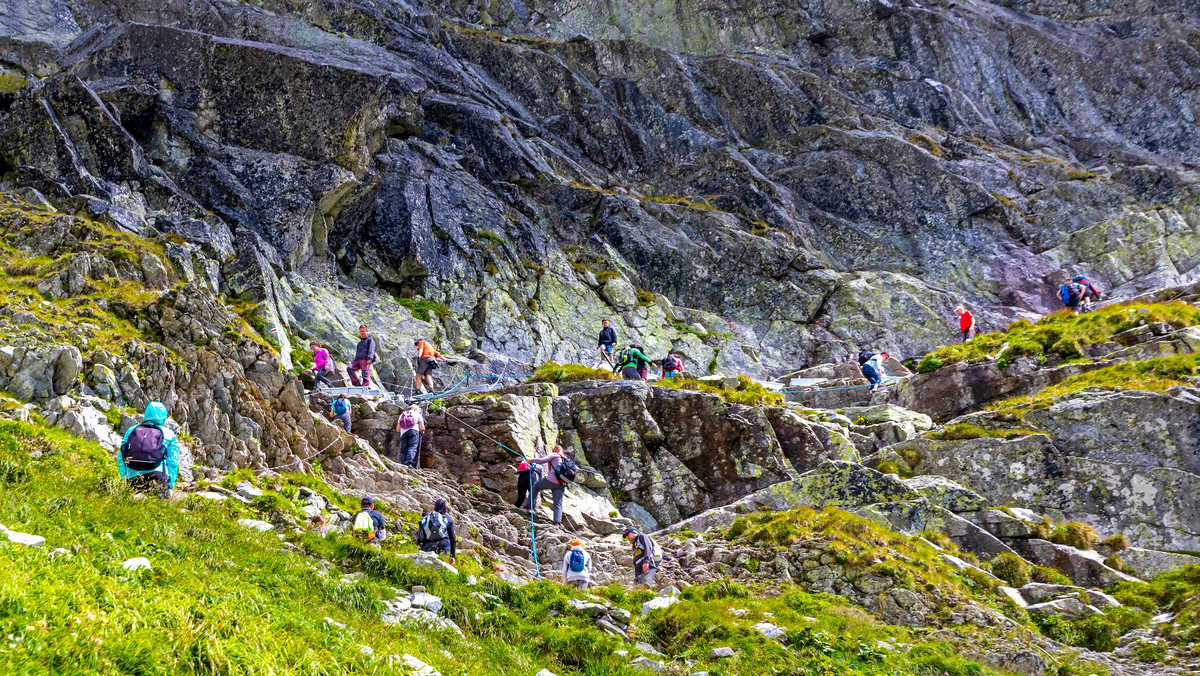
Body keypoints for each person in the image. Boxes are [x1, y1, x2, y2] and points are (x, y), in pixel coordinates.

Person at [118, 401, 181, 500]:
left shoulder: (132, 430)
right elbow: (172, 461)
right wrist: (170, 485)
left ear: (146, 413)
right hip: (157, 475)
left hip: (133, 477)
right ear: (163, 415)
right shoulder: (169, 434)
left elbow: (121, 455)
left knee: (132, 511)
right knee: (158, 511)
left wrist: (124, 477)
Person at [530, 445, 576, 525]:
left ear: (555, 449)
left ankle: (528, 507)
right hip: (561, 483)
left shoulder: (554, 454)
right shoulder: (566, 458)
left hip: (551, 480)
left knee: (536, 486)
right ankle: (557, 523)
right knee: (558, 503)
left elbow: (542, 460)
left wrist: (530, 460)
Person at [416, 498, 457, 564]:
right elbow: (453, 539)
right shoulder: (447, 519)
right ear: (444, 509)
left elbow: (420, 538)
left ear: (434, 507)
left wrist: (419, 549)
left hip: (427, 546)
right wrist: (452, 556)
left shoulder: (426, 518)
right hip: (444, 546)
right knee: (442, 569)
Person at [395, 403, 425, 467]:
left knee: (404, 449)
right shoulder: (417, 414)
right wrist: (422, 432)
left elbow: (397, 429)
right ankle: (408, 463)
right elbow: (422, 428)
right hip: (414, 431)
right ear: (415, 409)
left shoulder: (402, 415)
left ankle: (403, 464)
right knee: (412, 447)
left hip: (403, 433)